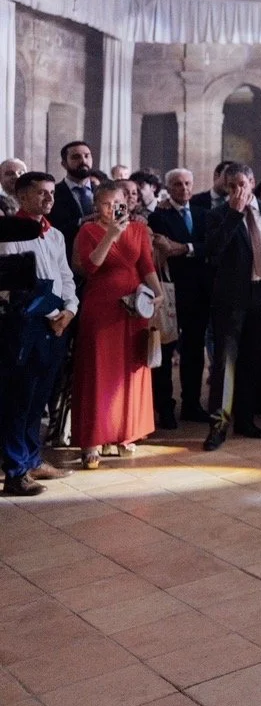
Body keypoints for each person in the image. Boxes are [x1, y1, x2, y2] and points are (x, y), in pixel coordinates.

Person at [72, 183, 165, 469]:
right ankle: (92, 441)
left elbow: (146, 265)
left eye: (117, 202)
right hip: (101, 307)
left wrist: (158, 293)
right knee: (99, 371)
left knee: (129, 371)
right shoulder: (87, 231)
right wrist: (111, 235)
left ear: (127, 203)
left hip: (135, 307)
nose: (112, 208)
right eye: (104, 203)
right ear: (95, 206)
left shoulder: (138, 230)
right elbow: (90, 267)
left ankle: (124, 433)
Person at [0, 172, 77, 495]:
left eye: (51, 193)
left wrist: (70, 310)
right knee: (18, 397)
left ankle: (33, 459)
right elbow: (9, 284)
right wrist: (48, 312)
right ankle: (16, 469)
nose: (49, 198)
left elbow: (66, 277)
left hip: (57, 324)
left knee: (40, 398)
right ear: (22, 196)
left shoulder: (55, 235)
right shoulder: (9, 233)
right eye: (42, 193)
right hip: (24, 325)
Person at [203, 163, 261, 451]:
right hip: (231, 299)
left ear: (252, 182)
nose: (237, 190)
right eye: (231, 186)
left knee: (253, 359)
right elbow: (212, 251)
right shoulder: (217, 215)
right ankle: (218, 425)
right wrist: (235, 215)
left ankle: (246, 419)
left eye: (241, 184)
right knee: (225, 362)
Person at [148, 168, 211, 426]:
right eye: (177, 184)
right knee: (166, 349)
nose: (183, 189)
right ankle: (165, 407)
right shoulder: (158, 216)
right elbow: (161, 248)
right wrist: (189, 250)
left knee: (195, 350)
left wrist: (184, 248)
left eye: (187, 183)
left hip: (199, 292)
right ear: (168, 187)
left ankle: (192, 404)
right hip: (170, 291)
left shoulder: (203, 214)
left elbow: (212, 245)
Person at [48, 140, 96, 262]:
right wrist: (81, 222)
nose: (83, 161)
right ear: (64, 163)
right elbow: (51, 230)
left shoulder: (108, 190)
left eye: (87, 156)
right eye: (76, 157)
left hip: (105, 260)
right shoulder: (52, 194)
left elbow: (121, 215)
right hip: (67, 259)